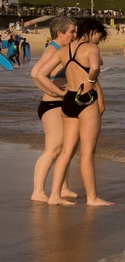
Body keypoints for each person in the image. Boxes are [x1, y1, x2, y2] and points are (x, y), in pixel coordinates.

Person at [48, 17, 112, 205]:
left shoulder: (63, 51)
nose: (98, 41)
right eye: (98, 37)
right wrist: (91, 82)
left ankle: (54, 196)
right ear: (93, 31)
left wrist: (58, 91)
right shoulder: (91, 48)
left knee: (66, 152)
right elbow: (94, 67)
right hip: (85, 100)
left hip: (68, 99)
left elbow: (41, 73)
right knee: (87, 153)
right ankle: (92, 198)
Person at [30, 15, 79, 202]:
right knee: (53, 149)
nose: (74, 35)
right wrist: (59, 93)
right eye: (71, 32)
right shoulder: (54, 49)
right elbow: (37, 74)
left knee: (65, 148)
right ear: (60, 33)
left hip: (57, 103)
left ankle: (63, 187)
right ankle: (38, 192)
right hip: (52, 105)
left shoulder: (61, 49)